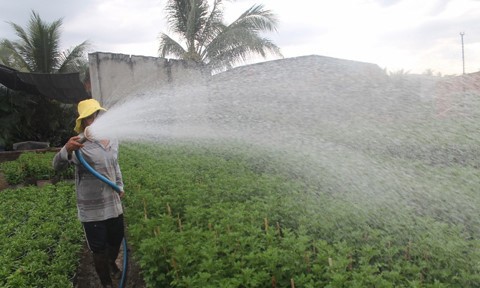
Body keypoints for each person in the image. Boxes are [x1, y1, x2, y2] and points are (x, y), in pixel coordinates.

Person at [53, 98, 125, 288]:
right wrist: (66, 149)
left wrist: (120, 186)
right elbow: (57, 166)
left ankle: (111, 263)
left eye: (96, 115)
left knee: (117, 238)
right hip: (92, 209)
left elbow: (115, 165)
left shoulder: (112, 139)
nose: (94, 119)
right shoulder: (78, 145)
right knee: (98, 249)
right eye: (89, 117)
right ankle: (106, 283)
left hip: (112, 201)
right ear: (84, 122)